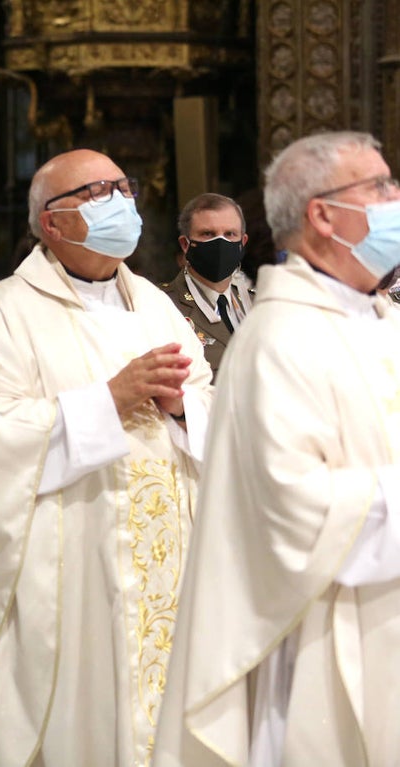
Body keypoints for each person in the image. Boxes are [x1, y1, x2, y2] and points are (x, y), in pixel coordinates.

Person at [0, 148, 214, 767]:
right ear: (52, 222)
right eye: (97, 193)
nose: (120, 202)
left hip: (169, 563)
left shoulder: (154, 304)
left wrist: (183, 408)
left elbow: (208, 399)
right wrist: (108, 400)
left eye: (123, 187)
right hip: (75, 567)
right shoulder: (8, 310)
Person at [153, 132, 400, 766]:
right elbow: (295, 508)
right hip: (326, 637)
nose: (395, 199)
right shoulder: (280, 338)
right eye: (379, 187)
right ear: (322, 214)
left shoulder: (381, 320)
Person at [158, 192, 253, 377]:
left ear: (242, 242)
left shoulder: (256, 303)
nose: (220, 243)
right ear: (185, 244)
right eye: (208, 234)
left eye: (230, 234)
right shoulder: (162, 306)